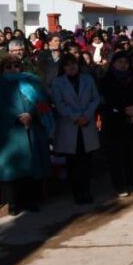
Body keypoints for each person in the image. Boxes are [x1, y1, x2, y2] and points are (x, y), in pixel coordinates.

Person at [0, 56, 52, 215]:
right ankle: (13, 203)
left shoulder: (32, 82)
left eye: (16, 65)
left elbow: (43, 103)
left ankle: (32, 200)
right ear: (2, 69)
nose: (13, 69)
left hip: (32, 128)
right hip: (9, 132)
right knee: (12, 169)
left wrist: (31, 114)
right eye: (8, 66)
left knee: (32, 168)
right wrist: (16, 116)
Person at [50, 53, 102, 205]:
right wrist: (75, 117)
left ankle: (87, 190)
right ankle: (77, 192)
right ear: (63, 67)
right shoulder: (58, 82)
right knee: (72, 162)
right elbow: (59, 104)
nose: (71, 67)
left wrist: (87, 115)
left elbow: (95, 98)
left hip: (87, 124)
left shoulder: (87, 79)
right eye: (67, 64)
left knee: (86, 161)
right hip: (69, 126)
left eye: (74, 64)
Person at [99, 52, 133, 197]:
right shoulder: (107, 80)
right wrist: (124, 109)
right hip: (114, 120)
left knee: (132, 152)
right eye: (120, 62)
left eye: (125, 62)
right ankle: (119, 185)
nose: (123, 65)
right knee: (116, 155)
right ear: (113, 64)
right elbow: (107, 100)